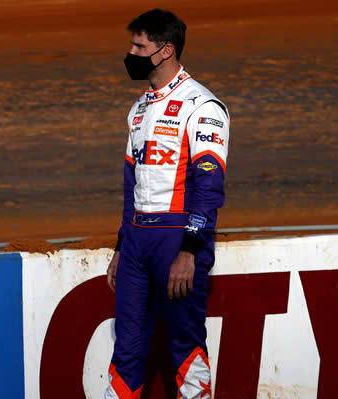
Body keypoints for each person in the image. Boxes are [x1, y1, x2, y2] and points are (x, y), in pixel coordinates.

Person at [104, 9, 229, 399]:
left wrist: (190, 250)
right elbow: (131, 186)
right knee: (126, 349)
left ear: (165, 50)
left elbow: (209, 188)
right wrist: (122, 247)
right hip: (138, 240)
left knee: (185, 346)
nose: (131, 52)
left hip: (178, 238)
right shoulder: (138, 109)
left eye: (139, 46)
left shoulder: (203, 106)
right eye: (132, 44)